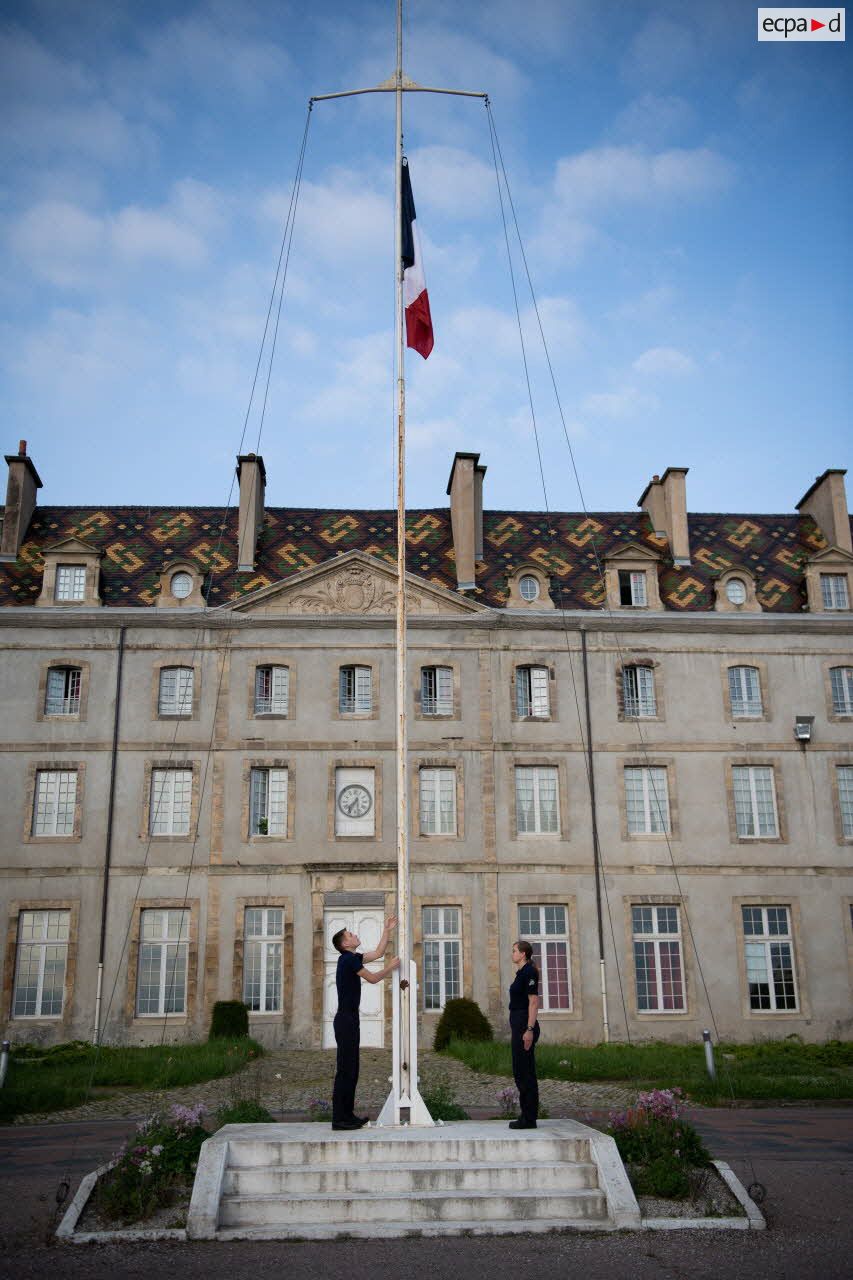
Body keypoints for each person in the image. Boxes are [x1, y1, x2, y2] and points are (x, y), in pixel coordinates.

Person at [330, 916, 399, 1131]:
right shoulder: (348, 960)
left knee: (351, 1069)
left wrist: (387, 929)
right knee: (346, 1070)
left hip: (349, 1019)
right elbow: (373, 978)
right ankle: (340, 1118)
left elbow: (377, 953)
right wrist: (390, 968)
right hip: (346, 1020)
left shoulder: (352, 958)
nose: (354, 934)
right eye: (350, 935)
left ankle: (346, 1116)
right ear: (344, 944)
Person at [508, 938, 540, 1129]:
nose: (512, 954)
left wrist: (529, 1030)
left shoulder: (529, 971)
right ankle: (527, 1116)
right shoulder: (521, 972)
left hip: (524, 1025)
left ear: (523, 954)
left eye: (514, 951)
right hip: (518, 1022)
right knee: (520, 1071)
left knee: (525, 1072)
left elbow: (533, 1002)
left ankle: (529, 1118)